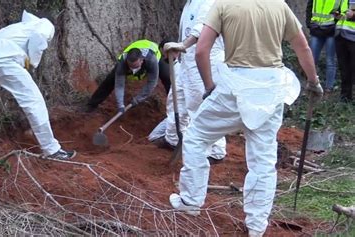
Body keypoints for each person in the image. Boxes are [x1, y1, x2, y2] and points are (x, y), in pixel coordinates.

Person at [166, 1, 324, 236]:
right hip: (271, 91)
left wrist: (209, 87)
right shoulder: (279, 5)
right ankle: (257, 225)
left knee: (196, 137)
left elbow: (201, 51)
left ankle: (191, 201)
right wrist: (313, 82)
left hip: (234, 88)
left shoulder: (224, 5)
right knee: (263, 161)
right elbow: (303, 48)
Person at [0, 10, 76, 160]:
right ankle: (52, 150)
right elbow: (39, 37)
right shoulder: (44, 24)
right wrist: (33, 63)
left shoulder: (18, 28)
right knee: (34, 101)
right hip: (3, 58)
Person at [148, 0, 226, 164]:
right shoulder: (190, 3)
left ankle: (215, 151)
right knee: (176, 102)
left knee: (202, 106)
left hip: (205, 62)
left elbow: (202, 28)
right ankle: (173, 139)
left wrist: (183, 45)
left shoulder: (208, 2)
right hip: (186, 62)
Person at [85, 39, 171, 113]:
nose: (132, 70)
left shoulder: (151, 60)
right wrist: (120, 105)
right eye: (130, 67)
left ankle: (173, 109)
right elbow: (119, 85)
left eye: (135, 67)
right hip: (136, 53)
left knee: (167, 77)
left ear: (141, 61)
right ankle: (91, 105)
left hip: (153, 51)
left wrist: (137, 99)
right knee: (110, 80)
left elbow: (152, 82)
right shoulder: (122, 63)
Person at [306, 0, 339, 92]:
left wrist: (336, 27)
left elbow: (341, 12)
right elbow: (309, 7)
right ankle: (312, 85)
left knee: (330, 61)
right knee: (312, 59)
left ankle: (329, 88)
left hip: (331, 31)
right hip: (316, 29)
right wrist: (309, 24)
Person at [335, 0, 355, 102]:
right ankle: (345, 97)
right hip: (341, 36)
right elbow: (343, 13)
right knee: (344, 69)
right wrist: (337, 15)